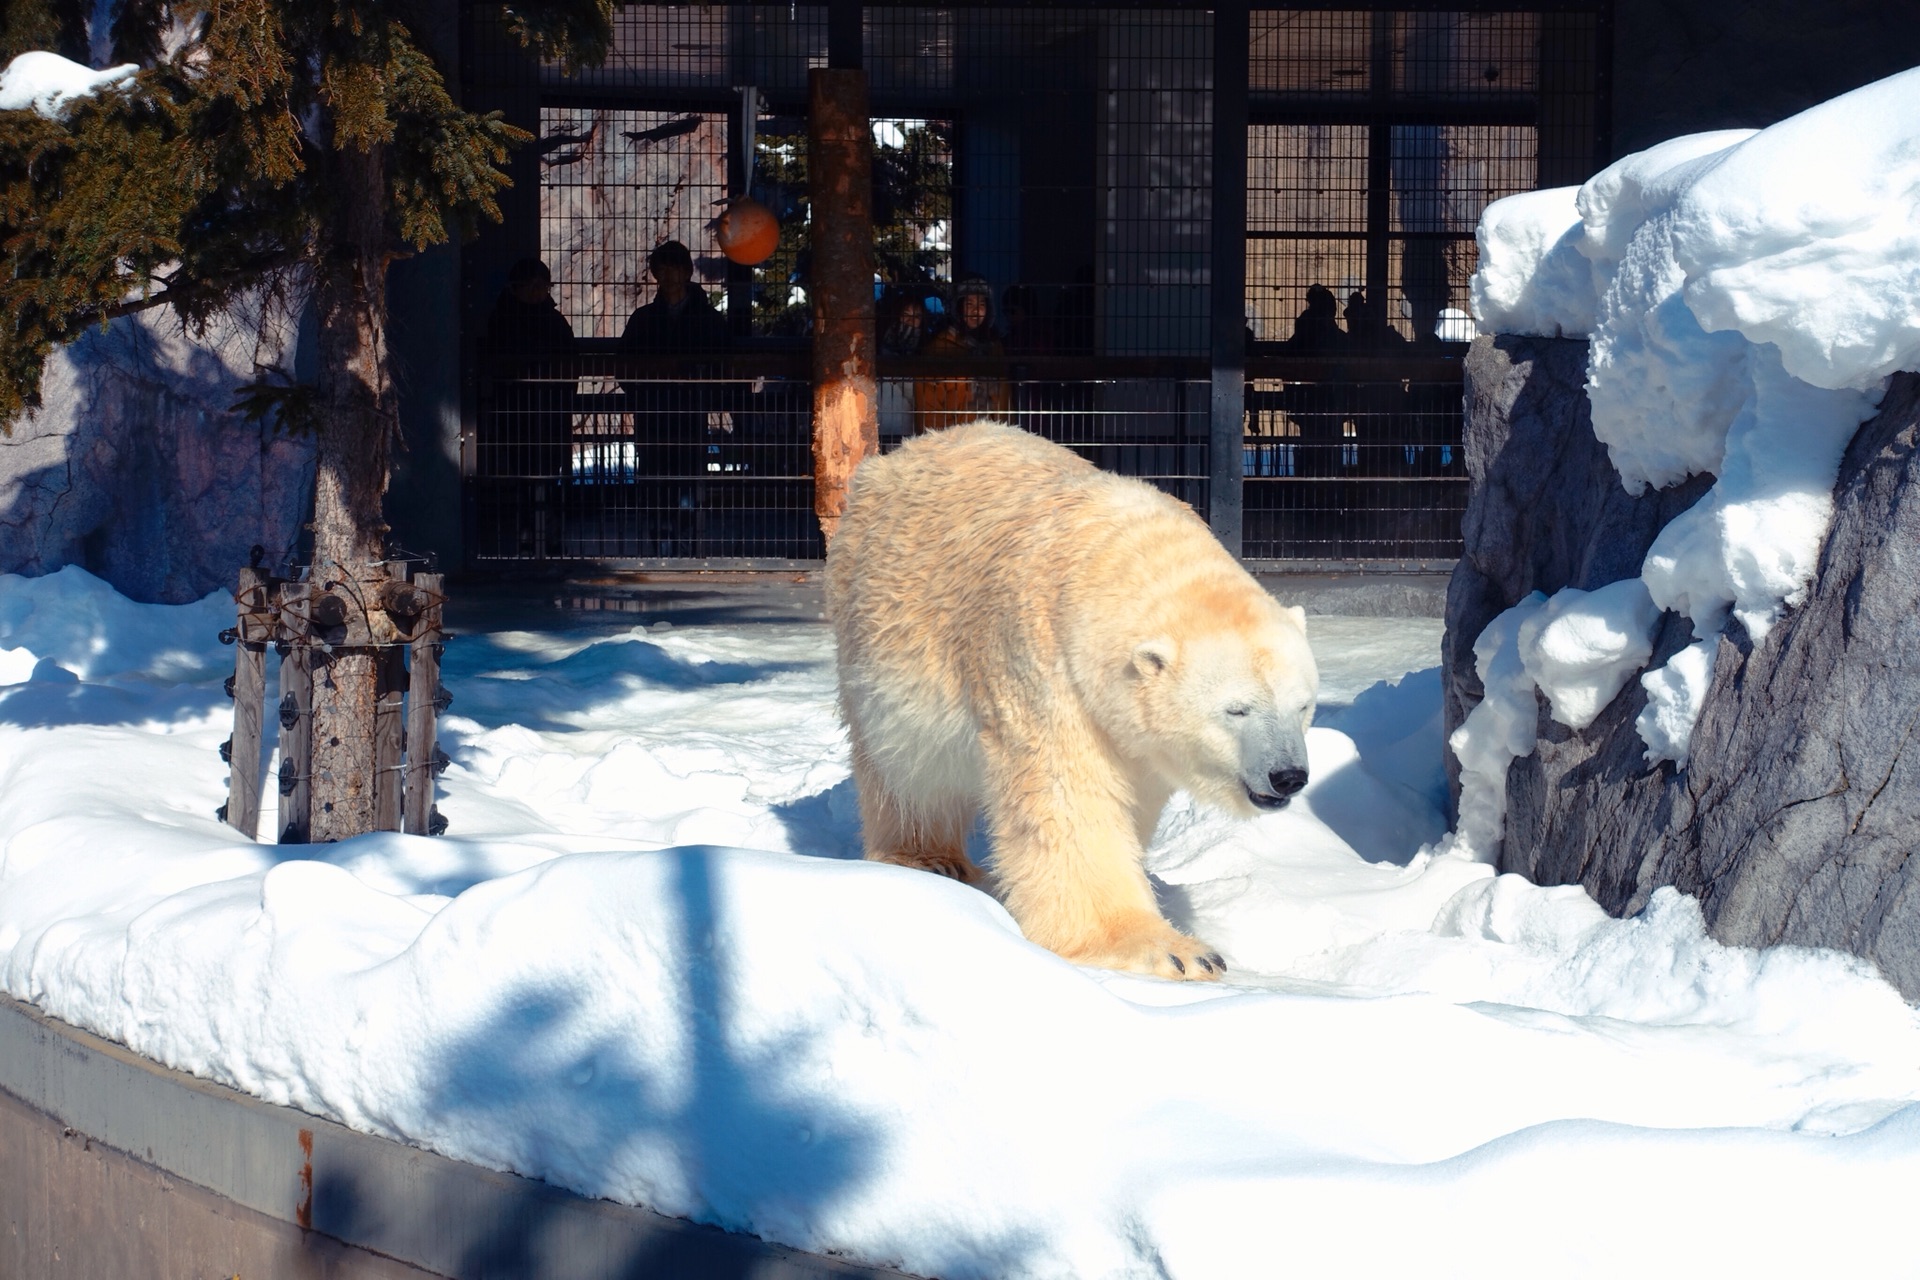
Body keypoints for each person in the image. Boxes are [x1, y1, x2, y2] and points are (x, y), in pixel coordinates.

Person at [619, 240, 729, 553]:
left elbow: (723, 366)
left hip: (688, 412)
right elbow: (624, 367)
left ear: (686, 272)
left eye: (674, 269)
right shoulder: (645, 319)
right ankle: (660, 543)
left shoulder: (709, 321)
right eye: (661, 270)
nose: (668, 276)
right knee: (655, 480)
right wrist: (646, 391)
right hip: (655, 414)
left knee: (687, 478)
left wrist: (701, 391)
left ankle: (686, 541)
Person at [482, 258, 576, 488]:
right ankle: (528, 517)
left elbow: (570, 362)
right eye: (531, 285)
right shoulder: (502, 320)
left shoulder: (554, 321)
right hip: (516, 408)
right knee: (518, 463)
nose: (537, 292)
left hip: (550, 407)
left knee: (550, 465)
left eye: (542, 286)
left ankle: (546, 514)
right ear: (516, 288)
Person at [912, 275, 1011, 434]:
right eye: (969, 303)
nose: (976, 310)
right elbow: (928, 406)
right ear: (958, 308)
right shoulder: (939, 348)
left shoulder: (994, 347)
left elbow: (1005, 402)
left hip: (993, 441)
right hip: (955, 443)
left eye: (982, 304)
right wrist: (933, 444)